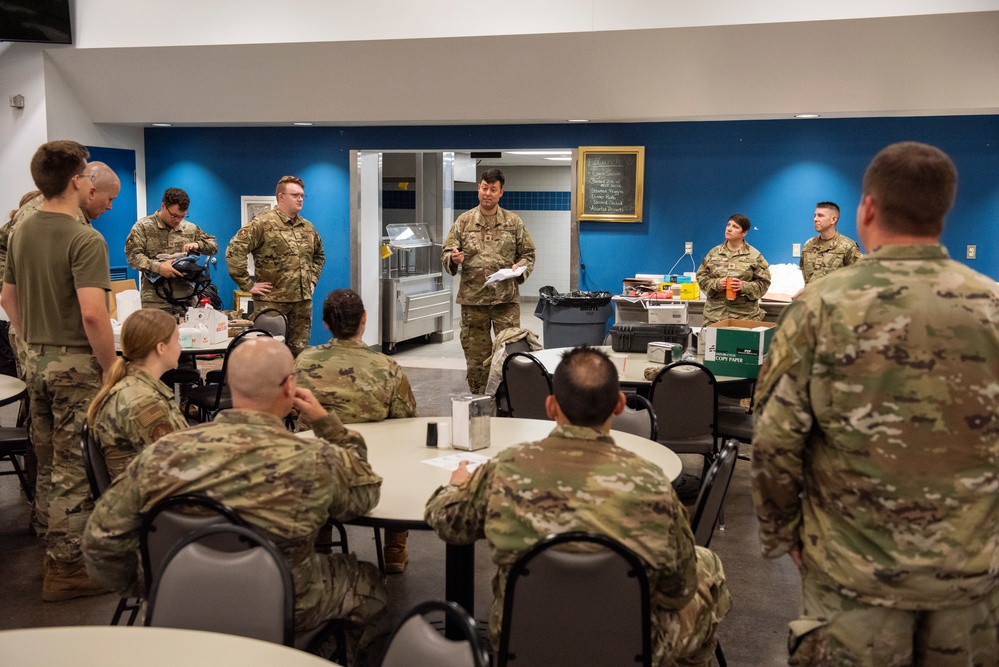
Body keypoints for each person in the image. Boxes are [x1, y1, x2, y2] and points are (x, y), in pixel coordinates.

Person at [751, 142, 999, 665]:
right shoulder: (992, 308)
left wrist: (784, 533)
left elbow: (775, 439)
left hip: (851, 571)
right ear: (944, 211)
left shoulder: (821, 306)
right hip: (970, 574)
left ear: (866, 209)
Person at [425, 346, 731, 665]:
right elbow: (678, 589)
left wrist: (458, 484)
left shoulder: (505, 468)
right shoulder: (653, 484)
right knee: (708, 570)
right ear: (619, 405)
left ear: (551, 406)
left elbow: (447, 522)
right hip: (627, 646)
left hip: (523, 640)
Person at [83, 336, 386, 655]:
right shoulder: (316, 460)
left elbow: (100, 546)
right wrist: (328, 425)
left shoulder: (162, 454)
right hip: (286, 599)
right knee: (371, 586)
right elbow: (365, 493)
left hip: (184, 599)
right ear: (289, 388)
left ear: (229, 385)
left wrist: (161, 585)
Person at [3, 141, 119, 601]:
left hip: (37, 359)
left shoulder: (22, 230)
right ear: (77, 181)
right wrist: (111, 368)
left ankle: (51, 542)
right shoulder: (84, 238)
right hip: (75, 365)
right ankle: (67, 570)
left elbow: (8, 299)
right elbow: (93, 315)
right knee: (74, 466)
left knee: (48, 460)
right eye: (89, 175)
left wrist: (37, 338)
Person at [296, 288, 416, 574]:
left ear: (325, 323)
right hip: (370, 464)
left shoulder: (303, 361)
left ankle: (322, 547)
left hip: (315, 465)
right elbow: (408, 416)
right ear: (364, 319)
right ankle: (395, 551)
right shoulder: (387, 366)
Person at [441, 168, 535, 394]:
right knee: (476, 356)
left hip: (505, 301)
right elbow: (446, 253)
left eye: (493, 189)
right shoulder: (463, 222)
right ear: (478, 189)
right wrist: (453, 259)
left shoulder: (514, 222)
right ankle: (479, 397)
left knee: (510, 351)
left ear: (501, 192)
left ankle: (509, 395)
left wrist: (519, 268)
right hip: (474, 302)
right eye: (484, 188)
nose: (488, 193)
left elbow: (528, 255)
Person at [226, 176, 325, 357]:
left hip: (301, 302)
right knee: (268, 354)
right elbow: (234, 251)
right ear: (281, 197)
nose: (300, 199)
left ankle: (292, 385)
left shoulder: (307, 227)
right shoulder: (262, 223)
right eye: (295, 195)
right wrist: (248, 285)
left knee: (298, 353)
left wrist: (313, 279)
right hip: (272, 302)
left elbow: (319, 255)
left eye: (302, 195)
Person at [86, 309, 188, 479]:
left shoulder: (137, 386)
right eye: (177, 341)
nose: (180, 347)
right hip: (152, 498)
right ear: (161, 348)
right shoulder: (143, 402)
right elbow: (178, 464)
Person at [125, 188, 218, 317]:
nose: (178, 220)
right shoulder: (143, 227)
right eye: (174, 216)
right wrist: (158, 268)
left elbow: (213, 246)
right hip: (155, 299)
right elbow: (132, 256)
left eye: (182, 216)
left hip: (186, 297)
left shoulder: (190, 228)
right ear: (163, 206)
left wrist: (198, 244)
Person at [696, 214, 771, 324]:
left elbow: (764, 284)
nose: (729, 229)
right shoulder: (714, 253)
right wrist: (717, 284)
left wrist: (744, 286)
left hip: (744, 317)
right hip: (715, 316)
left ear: (744, 233)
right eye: (728, 225)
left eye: (735, 227)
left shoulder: (754, 256)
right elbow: (701, 277)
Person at [799, 201, 862, 284]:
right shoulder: (809, 245)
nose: (815, 219)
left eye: (820, 216)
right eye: (814, 216)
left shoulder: (848, 247)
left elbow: (859, 278)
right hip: (810, 296)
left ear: (833, 220)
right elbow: (805, 275)